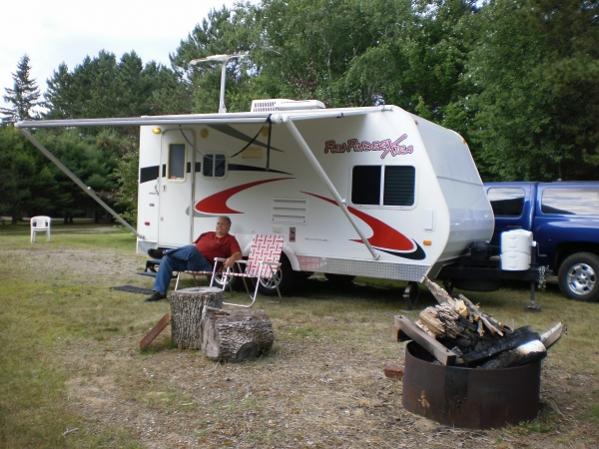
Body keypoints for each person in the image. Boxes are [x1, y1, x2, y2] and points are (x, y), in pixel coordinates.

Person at [145, 216, 241, 302]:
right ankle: (160, 292)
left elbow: (238, 254)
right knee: (167, 260)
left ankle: (164, 252)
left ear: (229, 227)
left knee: (191, 250)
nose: (219, 226)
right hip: (190, 262)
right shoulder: (207, 234)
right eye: (218, 223)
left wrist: (232, 258)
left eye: (223, 224)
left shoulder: (230, 239)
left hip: (206, 265)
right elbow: (193, 245)